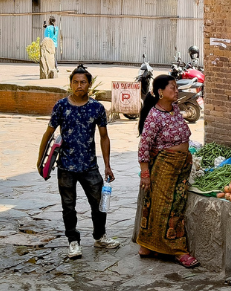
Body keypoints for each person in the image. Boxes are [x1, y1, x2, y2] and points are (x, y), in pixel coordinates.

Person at [36, 65, 121, 259]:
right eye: (75, 82)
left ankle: (100, 237)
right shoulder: (61, 106)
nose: (79, 85)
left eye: (83, 82)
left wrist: (107, 165)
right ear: (71, 84)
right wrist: (40, 160)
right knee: (68, 206)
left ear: (89, 85)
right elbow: (49, 134)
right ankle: (73, 242)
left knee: (99, 203)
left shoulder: (97, 108)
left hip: (90, 165)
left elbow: (104, 137)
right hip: (66, 166)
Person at [135, 74, 198, 268]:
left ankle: (147, 246)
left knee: (170, 204)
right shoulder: (154, 115)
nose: (176, 90)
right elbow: (144, 145)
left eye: (176, 87)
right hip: (164, 166)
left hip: (180, 164)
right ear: (160, 92)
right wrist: (145, 173)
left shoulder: (175, 109)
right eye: (172, 87)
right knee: (167, 208)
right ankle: (177, 250)